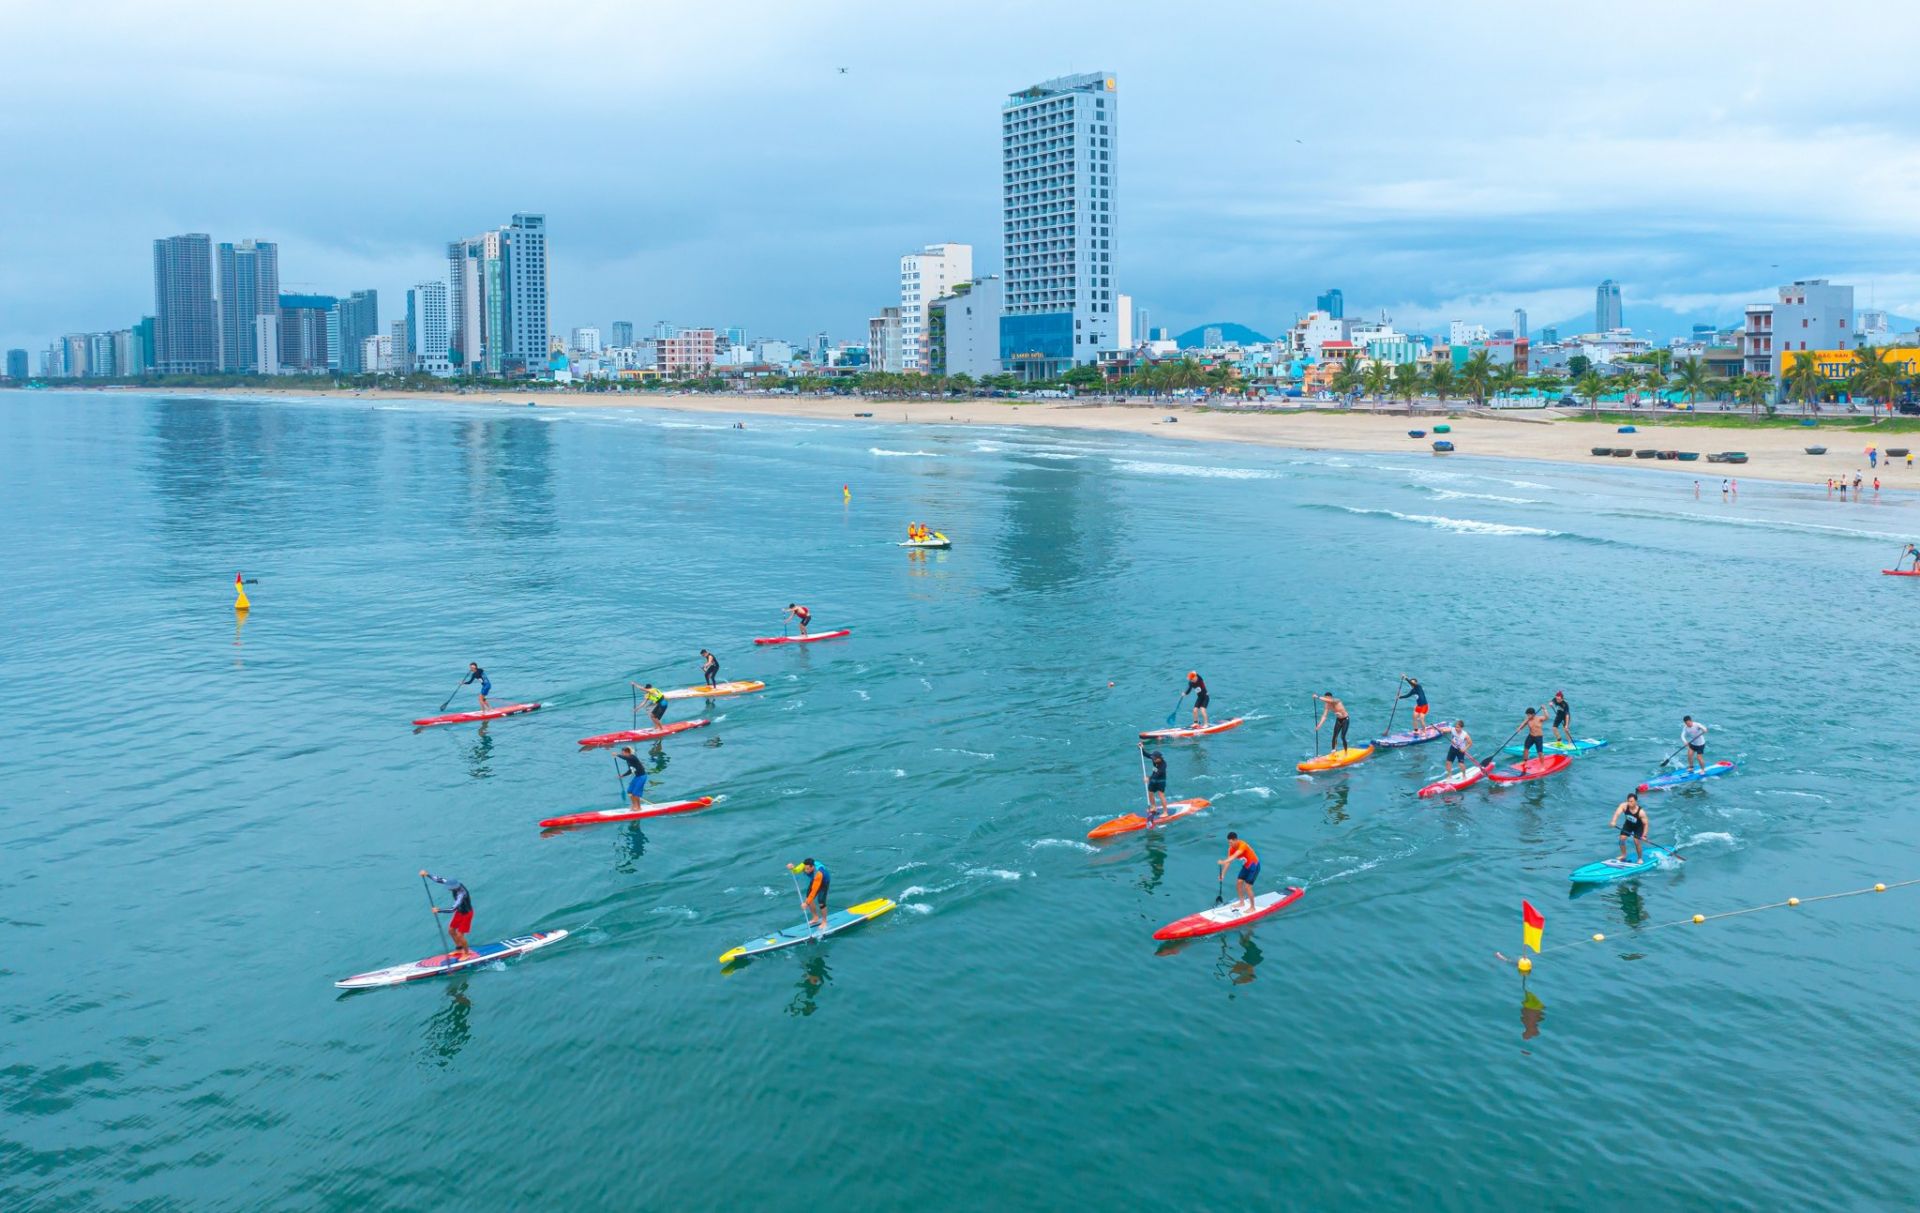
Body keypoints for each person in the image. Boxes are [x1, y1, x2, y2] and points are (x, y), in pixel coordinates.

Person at [421, 870, 475, 959]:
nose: (448, 888)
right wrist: (427, 875)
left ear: (454, 887)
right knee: (451, 931)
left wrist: (438, 910)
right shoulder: (454, 884)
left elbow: (452, 909)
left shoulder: (461, 894)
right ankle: (459, 949)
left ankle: (466, 953)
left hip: (467, 914)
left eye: (449, 887)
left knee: (460, 935)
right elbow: (440, 880)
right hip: (459, 912)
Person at [1217, 832, 1260, 914]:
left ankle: (1252, 907)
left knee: (1248, 887)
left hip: (1254, 866)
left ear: (1236, 840)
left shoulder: (1242, 845)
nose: (1230, 844)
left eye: (1231, 842)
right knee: (1239, 883)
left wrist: (1222, 861)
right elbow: (1228, 862)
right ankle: (1242, 902)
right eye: (1228, 842)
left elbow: (1233, 857)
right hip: (1246, 866)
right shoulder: (1231, 849)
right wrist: (1222, 875)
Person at [1610, 792, 1651, 863]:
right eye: (1628, 801)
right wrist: (1613, 821)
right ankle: (1623, 855)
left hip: (1638, 827)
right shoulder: (1624, 806)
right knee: (1622, 839)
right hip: (1628, 825)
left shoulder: (1641, 812)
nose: (1629, 803)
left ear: (1636, 801)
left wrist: (1644, 835)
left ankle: (1640, 858)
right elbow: (1617, 813)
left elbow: (1646, 824)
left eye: (1631, 801)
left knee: (1636, 841)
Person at [789, 858, 830, 929]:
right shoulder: (804, 865)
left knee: (821, 902)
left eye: (808, 869)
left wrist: (806, 903)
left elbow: (814, 890)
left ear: (813, 867)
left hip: (823, 881)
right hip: (815, 880)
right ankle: (815, 917)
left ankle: (824, 921)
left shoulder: (818, 873)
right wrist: (792, 868)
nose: (806, 871)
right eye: (805, 869)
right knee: (809, 897)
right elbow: (796, 871)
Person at [1141, 744, 1169, 822]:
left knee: (1161, 795)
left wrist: (1148, 778)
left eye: (1154, 759)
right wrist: (1141, 748)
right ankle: (1153, 807)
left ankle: (1165, 812)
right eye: (1153, 758)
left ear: (1159, 758)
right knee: (1150, 792)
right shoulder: (1154, 758)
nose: (1153, 760)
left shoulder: (1163, 765)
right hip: (1153, 779)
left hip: (1161, 781)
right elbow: (1146, 755)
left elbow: (1158, 774)